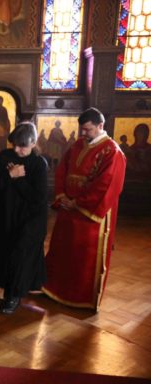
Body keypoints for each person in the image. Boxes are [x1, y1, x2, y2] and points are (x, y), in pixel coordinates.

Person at [43, 107, 126, 311]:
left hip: (89, 215)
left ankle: (81, 297)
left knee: (84, 258)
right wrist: (62, 196)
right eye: (82, 129)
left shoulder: (112, 152)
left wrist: (78, 203)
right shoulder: (78, 144)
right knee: (62, 251)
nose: (83, 133)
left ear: (100, 125)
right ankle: (55, 289)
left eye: (88, 129)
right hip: (67, 208)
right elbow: (62, 169)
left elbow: (106, 185)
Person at [0, 122, 48, 314]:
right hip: (7, 215)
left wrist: (18, 179)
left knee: (21, 255)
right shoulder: (5, 156)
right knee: (7, 253)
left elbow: (37, 198)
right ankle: (10, 292)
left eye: (22, 146)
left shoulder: (39, 164)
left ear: (33, 143)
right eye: (14, 145)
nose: (17, 149)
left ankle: (13, 296)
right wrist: (10, 175)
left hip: (31, 218)